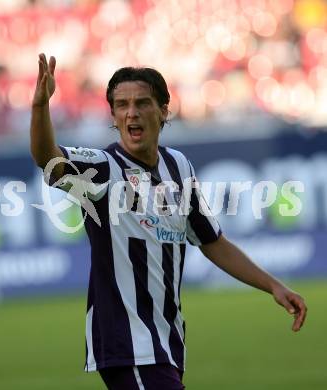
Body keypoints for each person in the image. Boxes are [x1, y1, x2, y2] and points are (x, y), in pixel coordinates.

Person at [30, 53, 307, 390]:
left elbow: (212, 241)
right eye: (121, 105)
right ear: (114, 116)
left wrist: (274, 286)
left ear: (163, 111)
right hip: (127, 341)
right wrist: (41, 107)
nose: (131, 112)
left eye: (142, 102)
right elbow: (49, 160)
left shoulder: (179, 166)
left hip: (167, 341)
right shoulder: (102, 170)